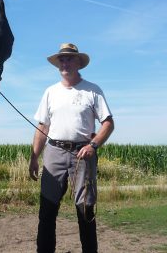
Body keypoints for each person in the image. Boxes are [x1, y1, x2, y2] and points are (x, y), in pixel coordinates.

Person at [29, 43, 115, 253]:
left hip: (82, 155)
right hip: (54, 152)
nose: (65, 63)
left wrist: (93, 145)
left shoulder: (92, 90)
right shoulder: (50, 92)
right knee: (47, 211)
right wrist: (34, 157)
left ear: (78, 63)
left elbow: (108, 123)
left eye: (69, 59)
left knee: (85, 210)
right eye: (62, 59)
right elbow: (42, 126)